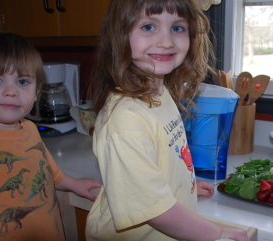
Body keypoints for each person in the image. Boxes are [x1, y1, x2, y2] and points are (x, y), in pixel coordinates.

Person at [85, 0, 250, 240]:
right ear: (120, 34)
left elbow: (162, 162)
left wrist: (185, 187)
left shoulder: (159, 93)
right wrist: (216, 234)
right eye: (149, 27)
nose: (166, 41)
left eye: (177, 28)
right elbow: (157, 212)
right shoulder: (126, 120)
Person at [0, 32, 102, 241]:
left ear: (37, 90)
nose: (11, 91)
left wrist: (73, 183)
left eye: (22, 81)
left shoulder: (29, 129)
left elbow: (49, 173)